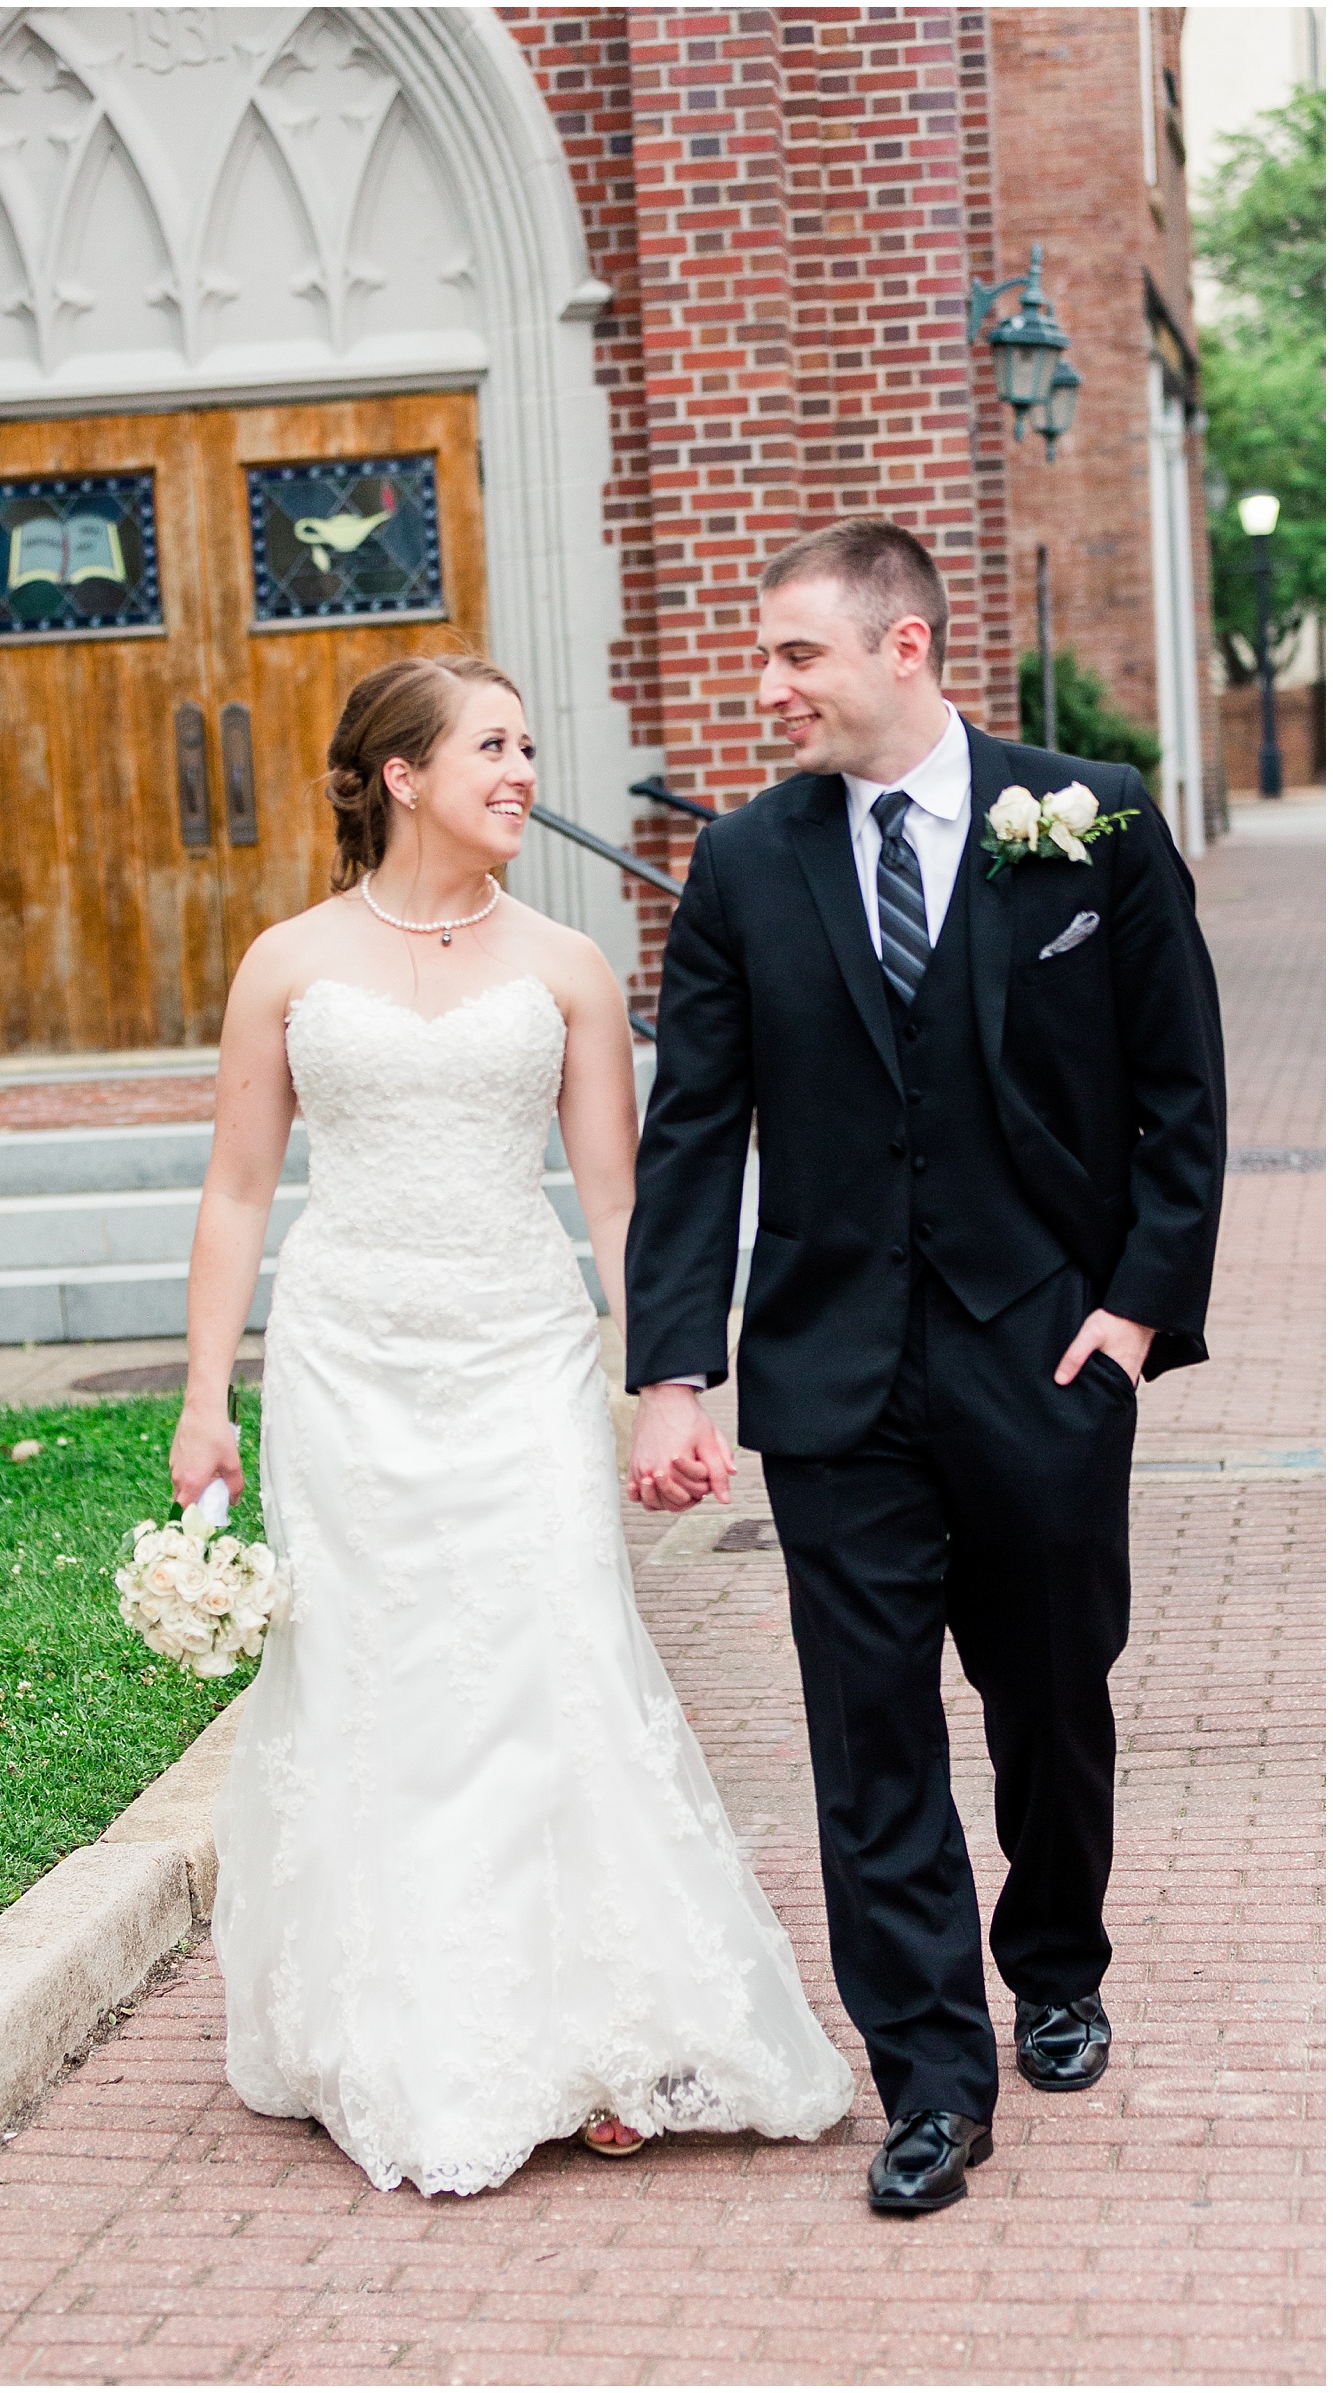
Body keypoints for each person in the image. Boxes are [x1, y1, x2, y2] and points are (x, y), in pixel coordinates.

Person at [174, 652, 853, 2199]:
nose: (525, 772)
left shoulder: (567, 966)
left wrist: (652, 1382)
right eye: (493, 747)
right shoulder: (285, 961)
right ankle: (397, 2019)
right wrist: (206, 1397)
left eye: (530, 746)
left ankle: (606, 2026)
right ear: (401, 774)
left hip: (520, 1359)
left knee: (553, 1666)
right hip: (345, 1363)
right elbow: (234, 1191)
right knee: (378, 1683)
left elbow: (622, 1203)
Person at [625, 520, 1226, 2215]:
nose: (768, 688)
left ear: (903, 650)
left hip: (1042, 1351)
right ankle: (932, 2078)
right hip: (830, 1377)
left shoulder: (1085, 814)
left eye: (794, 655)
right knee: (868, 1732)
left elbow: (1179, 1082)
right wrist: (675, 1366)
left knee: (1050, 1688)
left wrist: (1132, 1314)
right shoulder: (748, 864)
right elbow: (696, 1134)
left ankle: (1057, 1963)